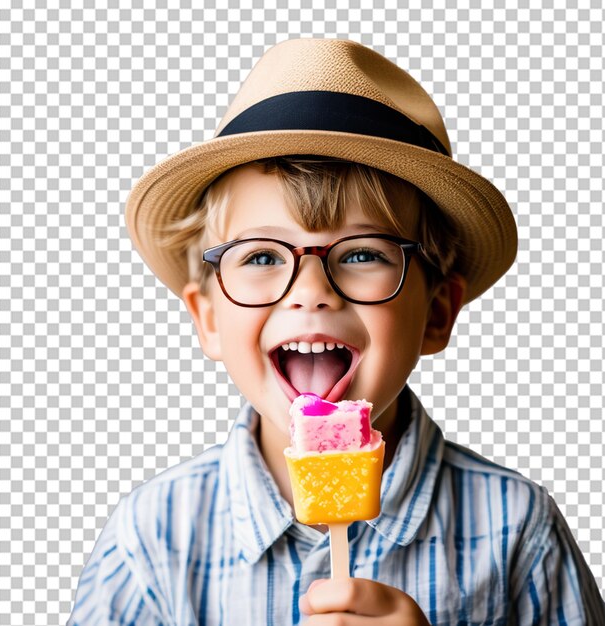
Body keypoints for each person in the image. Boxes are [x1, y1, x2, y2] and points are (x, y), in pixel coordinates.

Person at [67, 38, 604, 625]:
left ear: (437, 314)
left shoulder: (516, 526)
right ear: (209, 318)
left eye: (363, 254)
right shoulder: (150, 537)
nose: (312, 290)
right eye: (262, 257)